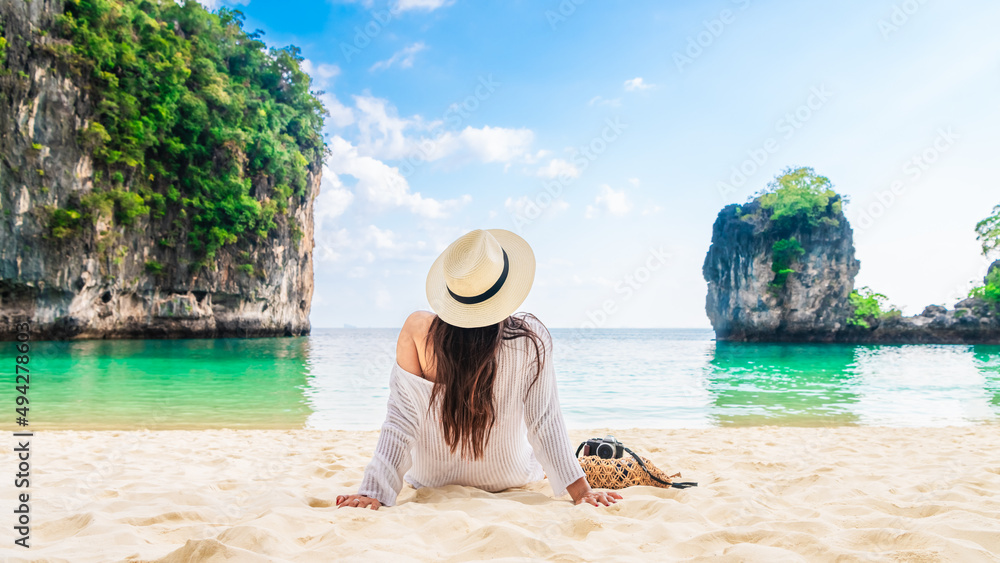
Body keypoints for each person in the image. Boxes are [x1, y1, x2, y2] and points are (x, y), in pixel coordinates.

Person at [336, 229, 623, 510]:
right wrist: (581, 491)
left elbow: (400, 420)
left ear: (452, 291)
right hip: (511, 477)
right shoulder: (530, 337)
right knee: (539, 458)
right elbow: (544, 421)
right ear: (507, 287)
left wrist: (374, 491)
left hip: (430, 481)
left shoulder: (418, 331)